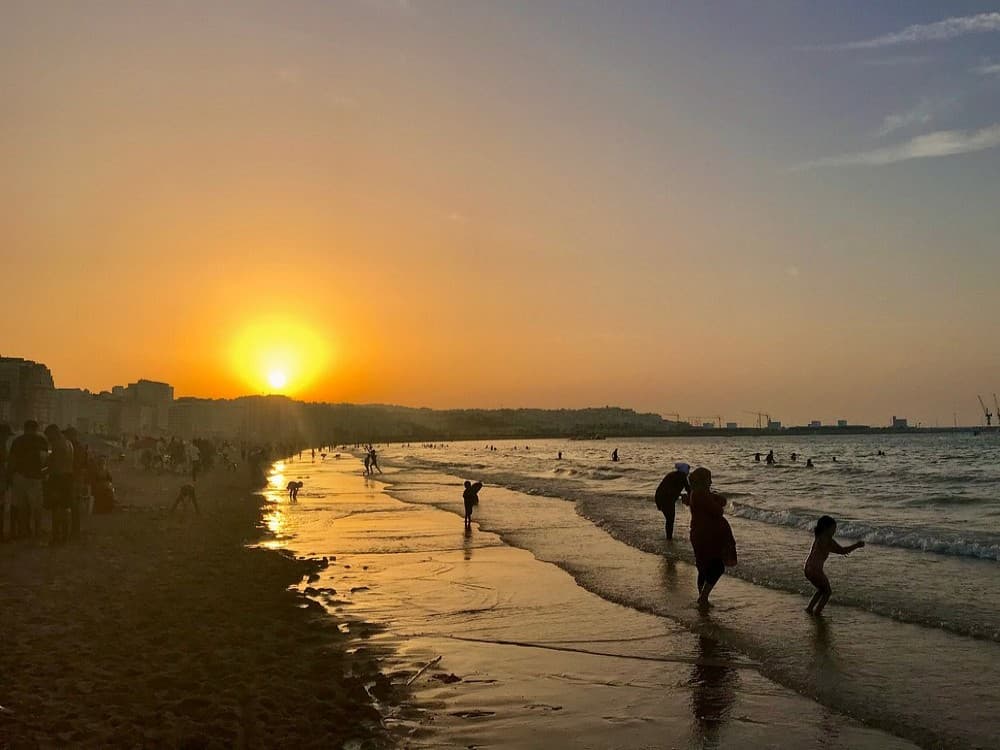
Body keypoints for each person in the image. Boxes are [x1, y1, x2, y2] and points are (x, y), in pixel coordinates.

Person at [685, 467, 737, 606]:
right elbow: (718, 510)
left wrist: (715, 498)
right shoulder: (701, 494)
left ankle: (702, 597)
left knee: (704, 566)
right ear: (703, 480)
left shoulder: (697, 493)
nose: (711, 481)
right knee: (717, 566)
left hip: (700, 534)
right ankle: (703, 597)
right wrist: (716, 500)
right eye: (709, 479)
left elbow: (721, 501)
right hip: (705, 536)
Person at [804, 515, 864, 615]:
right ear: (826, 528)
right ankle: (817, 612)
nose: (834, 531)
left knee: (821, 589)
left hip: (808, 568)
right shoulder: (827, 539)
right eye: (833, 529)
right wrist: (856, 545)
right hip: (816, 570)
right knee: (827, 592)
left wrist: (843, 551)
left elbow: (837, 550)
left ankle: (809, 608)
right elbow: (842, 550)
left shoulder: (819, 537)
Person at [8, 420, 49, 539]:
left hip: (20, 476)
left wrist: (9, 475)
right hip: (36, 477)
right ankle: (37, 531)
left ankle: (23, 531)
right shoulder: (42, 441)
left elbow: (12, 460)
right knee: (37, 507)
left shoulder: (18, 441)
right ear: (36, 428)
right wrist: (43, 473)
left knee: (22, 507)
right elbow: (45, 460)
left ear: (25, 428)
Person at [44, 424, 75, 544]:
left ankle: (56, 535)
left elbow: (53, 464)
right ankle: (65, 535)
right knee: (65, 507)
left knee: (56, 508)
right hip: (68, 477)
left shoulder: (57, 445)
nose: (48, 439)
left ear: (53, 433)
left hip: (58, 478)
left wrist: (43, 471)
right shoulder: (69, 443)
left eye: (48, 436)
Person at [654, 462, 691, 541]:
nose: (688, 472)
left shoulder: (672, 475)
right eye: (688, 470)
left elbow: (668, 488)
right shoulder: (682, 476)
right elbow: (688, 489)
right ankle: (669, 539)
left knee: (669, 519)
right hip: (666, 499)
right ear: (684, 470)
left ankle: (669, 538)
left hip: (659, 497)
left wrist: (680, 495)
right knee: (670, 519)